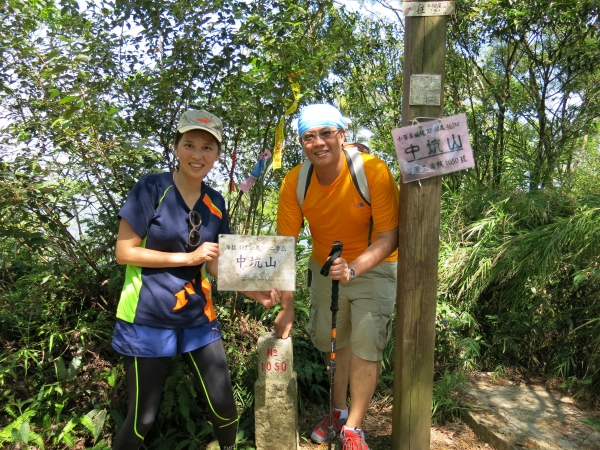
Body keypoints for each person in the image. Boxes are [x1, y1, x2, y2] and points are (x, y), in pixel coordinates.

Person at [111, 109, 280, 450]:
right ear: (176, 147)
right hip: (147, 318)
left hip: (198, 317)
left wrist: (255, 292)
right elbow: (125, 252)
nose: (197, 154)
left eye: (207, 148)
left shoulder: (215, 204)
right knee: (142, 420)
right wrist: (187, 258)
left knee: (225, 409)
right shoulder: (151, 188)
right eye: (189, 144)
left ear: (217, 155)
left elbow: (219, 266)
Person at [274, 103, 399, 449]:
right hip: (324, 266)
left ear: (342, 136)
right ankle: (338, 412)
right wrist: (286, 307)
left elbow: (390, 236)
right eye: (309, 136)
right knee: (334, 344)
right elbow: (284, 246)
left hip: (375, 265)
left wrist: (355, 268)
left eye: (326, 133)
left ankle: (353, 429)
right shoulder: (295, 181)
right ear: (302, 143)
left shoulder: (372, 171)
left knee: (365, 345)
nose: (318, 143)